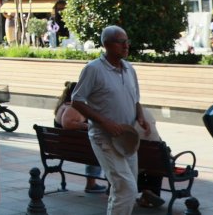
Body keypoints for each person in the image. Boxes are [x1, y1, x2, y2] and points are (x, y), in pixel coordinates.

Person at [71, 25, 150, 215]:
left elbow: (135, 99)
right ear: (107, 44)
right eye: (121, 42)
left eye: (127, 42)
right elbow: (77, 100)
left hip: (128, 137)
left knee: (122, 188)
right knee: (127, 188)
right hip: (104, 138)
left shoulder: (129, 68)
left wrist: (140, 116)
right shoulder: (93, 69)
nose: (126, 46)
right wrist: (104, 122)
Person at [54, 81, 105, 193]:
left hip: (63, 147)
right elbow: (67, 123)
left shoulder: (63, 105)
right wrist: (87, 125)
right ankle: (92, 184)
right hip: (75, 150)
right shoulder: (73, 107)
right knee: (100, 149)